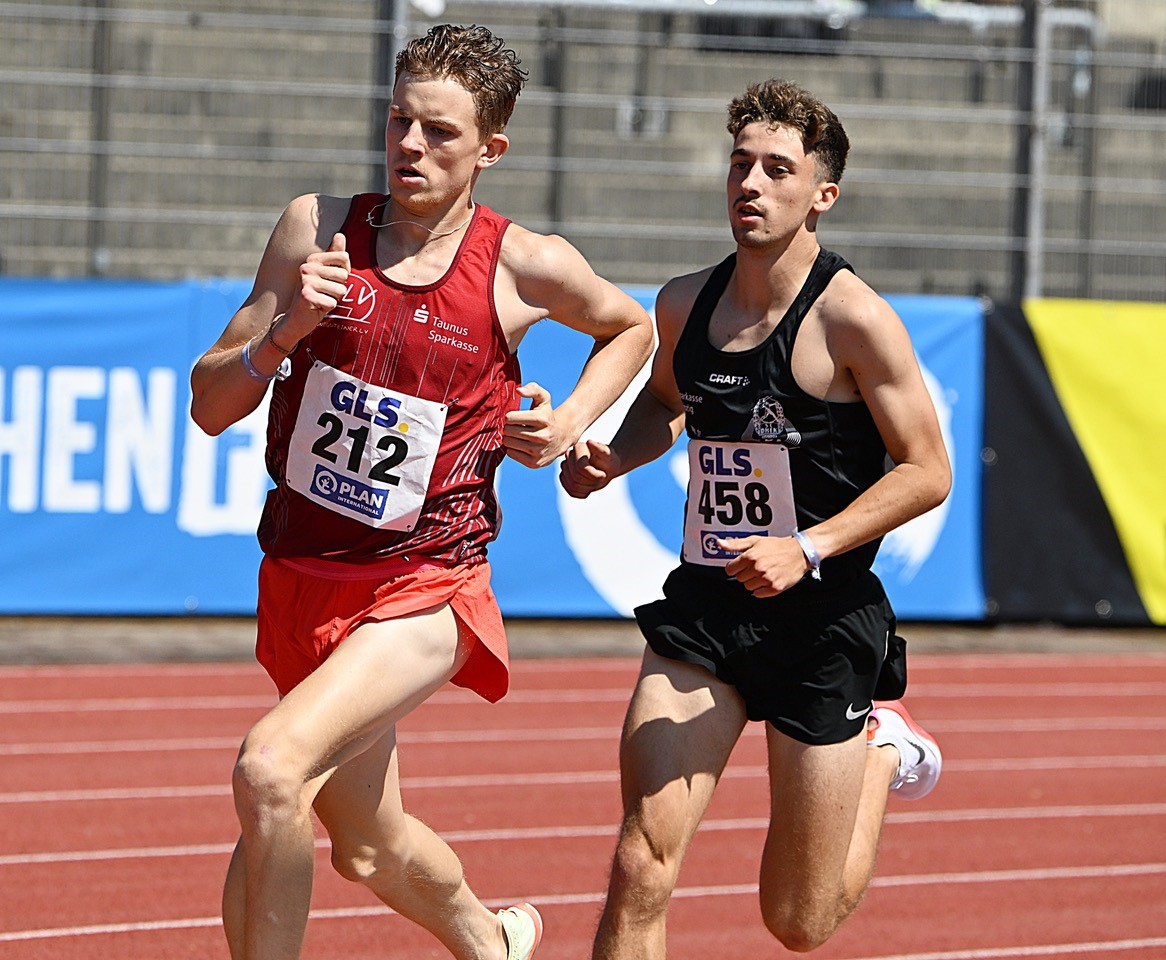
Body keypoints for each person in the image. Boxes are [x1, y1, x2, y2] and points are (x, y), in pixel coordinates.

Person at [190, 23, 652, 960]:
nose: (409, 145)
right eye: (400, 120)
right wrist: (285, 334)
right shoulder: (316, 230)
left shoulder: (523, 264)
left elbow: (631, 327)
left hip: (426, 586)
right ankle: (493, 941)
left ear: (490, 150)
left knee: (271, 771)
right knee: (366, 843)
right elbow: (209, 403)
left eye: (440, 132)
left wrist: (568, 423)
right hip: (301, 575)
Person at [560, 78, 952, 957]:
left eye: (778, 169)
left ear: (822, 195)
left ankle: (883, 748)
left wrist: (807, 547)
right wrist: (614, 457)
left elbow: (928, 471)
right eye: (741, 164)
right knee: (640, 861)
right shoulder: (684, 303)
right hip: (707, 608)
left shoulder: (854, 319)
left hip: (822, 623)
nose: (751, 183)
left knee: (799, 920)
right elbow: (667, 403)